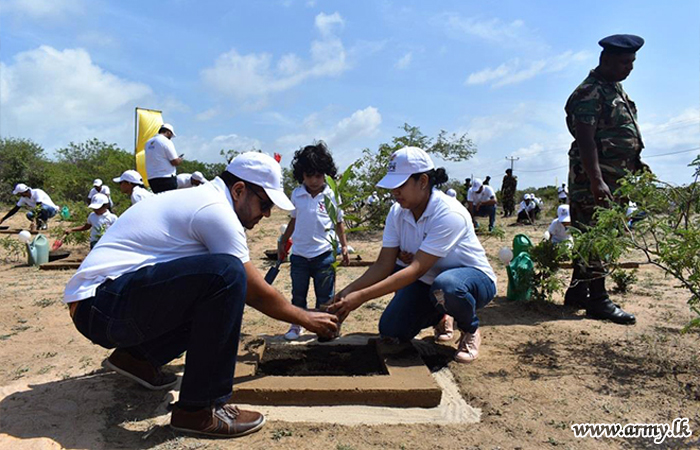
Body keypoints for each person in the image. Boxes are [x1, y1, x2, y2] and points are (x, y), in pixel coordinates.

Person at [63, 152, 339, 438]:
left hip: (100, 307)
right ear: (239, 189)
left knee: (213, 289)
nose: (267, 213)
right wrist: (306, 318)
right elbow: (253, 290)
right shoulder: (214, 209)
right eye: (265, 203)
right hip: (102, 305)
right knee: (227, 275)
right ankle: (199, 410)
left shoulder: (205, 199)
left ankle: (137, 359)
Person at [328, 147, 497, 363]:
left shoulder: (448, 214)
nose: (395, 192)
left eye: (401, 185)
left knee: (447, 286)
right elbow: (383, 265)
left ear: (423, 181)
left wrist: (360, 297)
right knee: (391, 330)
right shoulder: (398, 213)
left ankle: (469, 329)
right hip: (426, 282)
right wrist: (346, 292)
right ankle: (441, 314)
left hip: (471, 280)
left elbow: (416, 269)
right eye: (392, 186)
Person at [564, 34, 647, 325]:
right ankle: (598, 300)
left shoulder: (614, 89)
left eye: (633, 62)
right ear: (607, 60)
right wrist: (597, 181)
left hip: (615, 179)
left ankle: (577, 292)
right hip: (593, 181)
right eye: (625, 61)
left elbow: (618, 134)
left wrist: (638, 165)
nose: (630, 67)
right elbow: (586, 142)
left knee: (591, 236)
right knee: (598, 238)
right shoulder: (589, 92)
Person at [278, 142, 350, 341]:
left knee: (324, 297)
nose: (314, 180)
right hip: (300, 254)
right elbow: (294, 220)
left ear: (326, 174)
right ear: (301, 175)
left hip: (324, 254)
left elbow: (338, 221)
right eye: (309, 175)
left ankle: (326, 327)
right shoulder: (297, 194)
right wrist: (283, 241)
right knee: (298, 295)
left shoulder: (331, 194)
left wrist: (344, 245)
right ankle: (296, 325)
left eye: (318, 175)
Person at [145, 123, 182, 193]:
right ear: (168, 132)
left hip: (152, 178)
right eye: (171, 135)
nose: (170, 138)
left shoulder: (148, 142)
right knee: (170, 202)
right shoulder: (166, 141)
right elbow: (174, 161)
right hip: (166, 177)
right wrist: (180, 159)